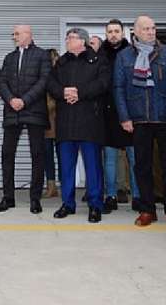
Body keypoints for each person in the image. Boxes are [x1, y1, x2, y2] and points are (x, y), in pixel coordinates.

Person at [115, 15, 166, 229]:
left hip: (165, 117)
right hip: (138, 119)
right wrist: (125, 116)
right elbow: (118, 88)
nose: (151, 32)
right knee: (141, 166)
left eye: (153, 28)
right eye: (146, 29)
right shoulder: (124, 56)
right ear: (135, 32)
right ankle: (147, 209)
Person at [48, 28, 111, 223]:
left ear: (82, 41)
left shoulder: (99, 60)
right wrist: (64, 92)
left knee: (93, 166)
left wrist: (79, 92)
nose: (67, 40)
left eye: (71, 38)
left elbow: (103, 83)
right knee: (66, 167)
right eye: (67, 38)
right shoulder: (61, 62)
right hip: (66, 122)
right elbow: (50, 84)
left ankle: (95, 205)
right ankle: (68, 204)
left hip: (89, 121)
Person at [0, 24, 51, 214]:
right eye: (13, 34)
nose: (15, 36)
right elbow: (2, 81)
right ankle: (8, 197)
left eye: (17, 33)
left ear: (29, 34)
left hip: (34, 110)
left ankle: (35, 199)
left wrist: (24, 100)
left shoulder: (42, 55)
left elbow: (44, 81)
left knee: (37, 154)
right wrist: (11, 99)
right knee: (7, 154)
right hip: (12, 111)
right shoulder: (9, 57)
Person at [99, 19, 138, 214]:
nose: (113, 34)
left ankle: (138, 197)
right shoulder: (99, 54)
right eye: (110, 31)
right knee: (110, 158)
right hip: (108, 113)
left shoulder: (133, 52)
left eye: (116, 31)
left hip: (131, 112)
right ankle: (111, 196)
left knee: (134, 157)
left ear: (123, 33)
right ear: (106, 34)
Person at [43, 48, 60, 199]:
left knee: (62, 156)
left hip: (59, 122)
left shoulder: (61, 75)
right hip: (46, 123)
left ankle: (65, 184)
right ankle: (51, 186)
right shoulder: (43, 76)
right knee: (47, 156)